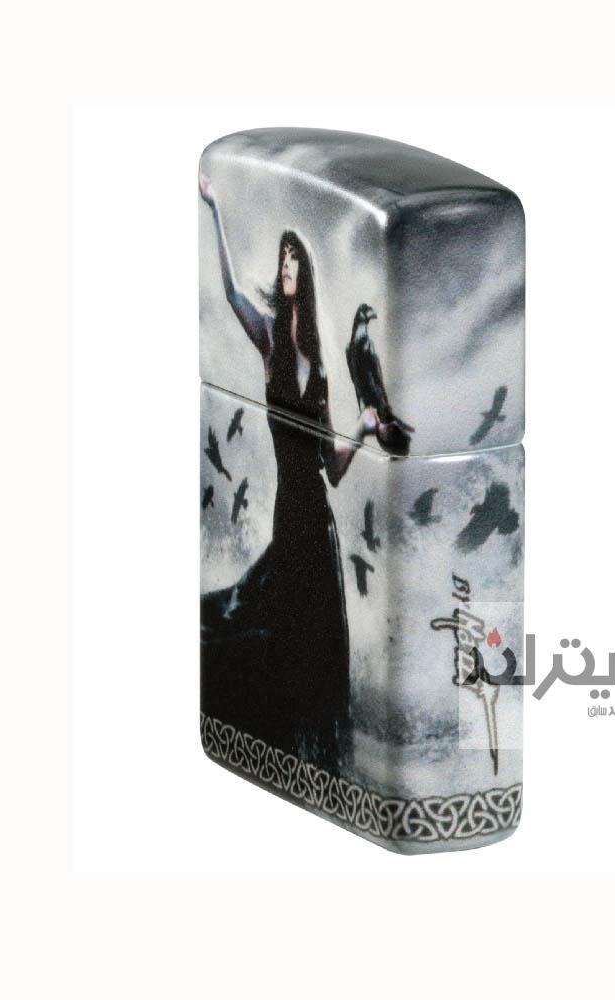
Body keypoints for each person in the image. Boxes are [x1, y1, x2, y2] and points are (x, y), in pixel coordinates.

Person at [198, 167, 379, 773]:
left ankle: (321, 772)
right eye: (281, 259)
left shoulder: (321, 371)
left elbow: (333, 469)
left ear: (306, 274)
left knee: (317, 658)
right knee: (264, 638)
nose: (284, 266)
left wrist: (363, 430)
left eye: (292, 258)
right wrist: (214, 210)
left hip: (317, 526)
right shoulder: (271, 343)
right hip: (287, 517)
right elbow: (231, 292)